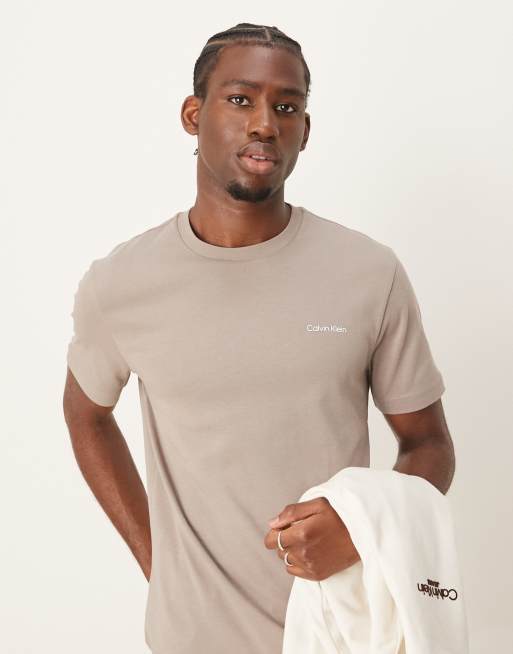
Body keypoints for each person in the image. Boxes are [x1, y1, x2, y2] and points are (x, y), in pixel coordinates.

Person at [63, 22, 455, 654]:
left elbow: (428, 443)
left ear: (305, 130)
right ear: (194, 115)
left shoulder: (368, 272)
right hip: (191, 639)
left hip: (342, 633)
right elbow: (86, 415)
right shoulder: (122, 283)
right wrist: (160, 565)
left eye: (287, 107)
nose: (265, 123)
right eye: (241, 99)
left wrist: (364, 527)